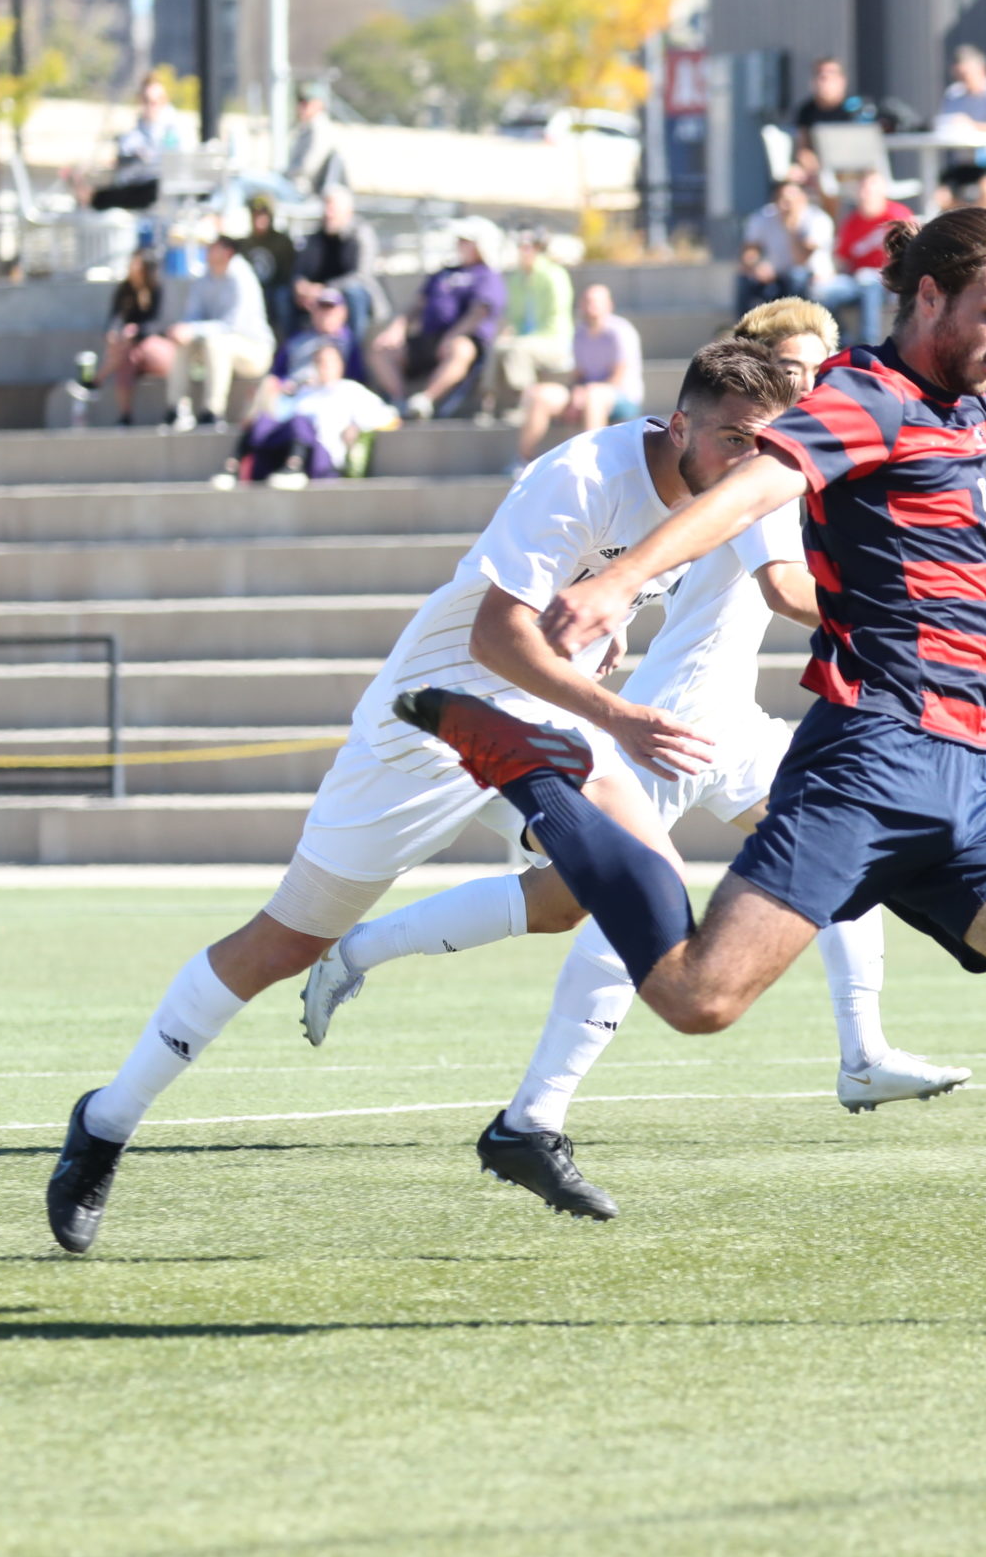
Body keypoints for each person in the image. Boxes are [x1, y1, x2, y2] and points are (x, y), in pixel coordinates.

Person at [340, 209, 986, 1326]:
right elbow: (757, 486)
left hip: (955, 774)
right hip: (866, 757)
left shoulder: (967, 413)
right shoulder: (863, 395)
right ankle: (535, 769)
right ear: (929, 299)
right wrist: (619, 584)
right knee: (699, 999)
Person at [43, 340, 805, 1253]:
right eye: (730, 439)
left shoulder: (728, 492)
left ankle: (528, 1125)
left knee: (613, 890)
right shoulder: (581, 475)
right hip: (430, 720)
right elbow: (494, 636)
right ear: (679, 424)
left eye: (763, 446)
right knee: (284, 941)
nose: (746, 462)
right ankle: (108, 1119)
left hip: (546, 724)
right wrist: (619, 711)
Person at [300, 304, 976, 1218]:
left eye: (825, 369)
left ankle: (862, 1051)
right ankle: (464, 1048)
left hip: (727, 720)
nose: (818, 387)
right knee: (602, 912)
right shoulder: (756, 469)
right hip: (670, 721)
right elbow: (784, 589)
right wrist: (902, 603)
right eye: (800, 367)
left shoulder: (774, 462)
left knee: (839, 852)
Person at [366, 225, 506, 421]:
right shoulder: (444, 273)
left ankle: (425, 400)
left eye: (466, 241)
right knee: (382, 348)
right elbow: (418, 305)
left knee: (461, 349)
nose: (460, 245)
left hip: (461, 339)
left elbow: (480, 311)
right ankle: (399, 401)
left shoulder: (486, 276)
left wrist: (453, 335)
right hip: (428, 338)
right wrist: (397, 327)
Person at [217, 344, 397, 490]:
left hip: (322, 458)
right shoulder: (304, 392)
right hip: (284, 449)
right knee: (263, 421)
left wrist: (357, 428)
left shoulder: (350, 390)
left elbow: (390, 418)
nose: (323, 366)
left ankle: (294, 466)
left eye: (329, 362)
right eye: (319, 362)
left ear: (340, 364)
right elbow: (277, 422)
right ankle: (232, 467)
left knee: (300, 421)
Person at [515, 282, 642, 470]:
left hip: (621, 397)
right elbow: (579, 374)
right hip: (587, 392)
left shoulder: (620, 332)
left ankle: (591, 463)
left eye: (595, 302)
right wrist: (575, 394)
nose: (590, 307)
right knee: (540, 394)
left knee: (594, 395)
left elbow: (619, 377)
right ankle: (524, 460)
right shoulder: (579, 334)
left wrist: (585, 393)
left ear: (609, 305)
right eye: (586, 302)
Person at [169, 235, 277, 430]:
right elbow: (192, 316)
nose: (207, 250)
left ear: (227, 251)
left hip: (255, 350)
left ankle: (212, 412)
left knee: (216, 343)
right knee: (184, 341)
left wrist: (193, 329)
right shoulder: (204, 279)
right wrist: (183, 329)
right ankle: (175, 408)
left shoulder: (243, 277)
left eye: (213, 246)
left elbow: (232, 325)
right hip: (217, 347)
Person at [492, 229, 577, 416]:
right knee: (498, 347)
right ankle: (491, 400)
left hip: (554, 339)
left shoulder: (554, 275)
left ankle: (525, 403)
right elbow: (514, 317)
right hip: (527, 338)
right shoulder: (516, 279)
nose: (523, 252)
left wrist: (521, 339)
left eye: (528, 247)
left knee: (518, 349)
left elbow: (555, 319)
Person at [824, 168, 911, 347]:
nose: (866, 195)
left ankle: (868, 344)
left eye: (871, 189)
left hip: (890, 281)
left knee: (869, 284)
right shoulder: (852, 222)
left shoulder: (897, 215)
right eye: (862, 189)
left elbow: (909, 252)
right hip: (856, 281)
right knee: (822, 292)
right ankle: (841, 342)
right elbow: (842, 260)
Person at [81, 75, 187, 211]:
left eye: (157, 101)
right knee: (105, 196)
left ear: (164, 101)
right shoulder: (131, 134)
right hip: (137, 188)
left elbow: (180, 160)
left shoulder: (174, 129)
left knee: (159, 188)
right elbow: (121, 164)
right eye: (146, 101)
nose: (151, 106)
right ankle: (86, 195)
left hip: (165, 190)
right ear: (140, 101)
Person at [292, 185, 386, 332]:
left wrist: (325, 288)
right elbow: (300, 270)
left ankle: (355, 351)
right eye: (325, 208)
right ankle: (291, 351)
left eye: (332, 208)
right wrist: (300, 285)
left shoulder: (361, 234)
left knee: (354, 293)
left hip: (344, 293)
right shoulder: (315, 238)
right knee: (284, 297)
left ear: (347, 212)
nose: (327, 213)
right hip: (316, 295)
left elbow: (361, 276)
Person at [736, 179, 835, 314]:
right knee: (745, 279)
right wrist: (756, 265)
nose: (785, 205)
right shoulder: (764, 216)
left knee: (796, 276)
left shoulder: (817, 219)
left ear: (803, 199)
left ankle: (794, 329)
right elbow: (750, 250)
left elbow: (801, 259)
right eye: (781, 199)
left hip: (811, 281)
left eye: (790, 200)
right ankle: (743, 331)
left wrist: (791, 227)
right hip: (777, 277)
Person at [103, 250, 175, 428]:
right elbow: (114, 318)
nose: (132, 268)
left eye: (137, 264)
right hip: (130, 348)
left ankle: (98, 377)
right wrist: (113, 332)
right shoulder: (125, 289)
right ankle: (125, 415)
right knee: (128, 355)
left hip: (154, 347)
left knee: (129, 351)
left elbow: (160, 324)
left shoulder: (158, 289)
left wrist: (138, 331)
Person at [934, 44, 986, 171]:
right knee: (941, 190)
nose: (962, 80)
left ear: (982, 70)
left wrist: (972, 126)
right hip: (963, 164)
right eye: (958, 75)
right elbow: (943, 128)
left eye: (966, 74)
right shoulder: (953, 94)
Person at [791, 57, 875, 184]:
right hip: (819, 171)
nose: (824, 81)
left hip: (854, 170)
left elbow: (865, 147)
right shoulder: (807, 111)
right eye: (820, 76)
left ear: (842, 81)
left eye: (829, 76)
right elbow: (803, 148)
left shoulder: (855, 107)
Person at [238, 197, 302, 337]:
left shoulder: (282, 242)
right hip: (254, 289)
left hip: (278, 288)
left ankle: (287, 342)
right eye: (256, 215)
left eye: (263, 215)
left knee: (281, 298)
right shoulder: (245, 243)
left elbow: (290, 271)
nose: (260, 220)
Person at [280, 284, 363, 386]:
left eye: (330, 308)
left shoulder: (349, 342)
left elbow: (356, 377)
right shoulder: (297, 340)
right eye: (321, 308)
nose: (325, 314)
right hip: (294, 394)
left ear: (343, 312)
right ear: (313, 311)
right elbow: (278, 374)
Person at [281, 80, 349, 199]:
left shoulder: (319, 129)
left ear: (319, 104)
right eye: (299, 102)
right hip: (293, 185)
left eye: (305, 102)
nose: (300, 107)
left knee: (244, 183)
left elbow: (307, 167)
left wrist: (284, 175)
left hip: (300, 190)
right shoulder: (306, 127)